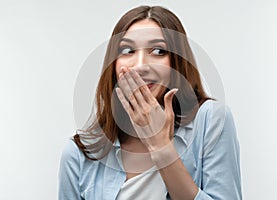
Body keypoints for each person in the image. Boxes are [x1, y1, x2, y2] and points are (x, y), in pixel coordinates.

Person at [59, 5, 242, 200]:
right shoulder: (80, 153)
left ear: (177, 62)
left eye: (158, 51)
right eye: (127, 50)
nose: (140, 66)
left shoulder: (211, 121)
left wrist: (162, 149)